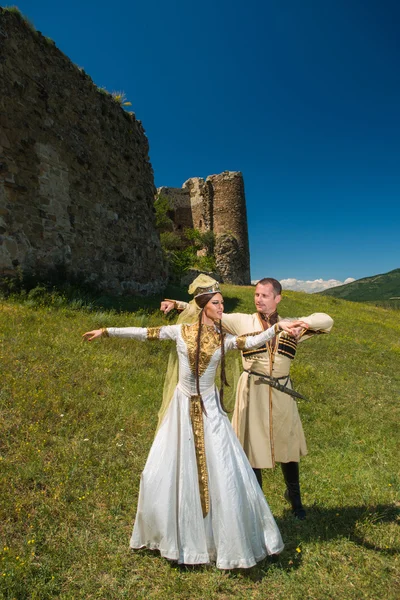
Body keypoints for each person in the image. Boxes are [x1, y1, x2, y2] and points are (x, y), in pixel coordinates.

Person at [83, 280, 306, 569]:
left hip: (211, 410)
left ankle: (223, 537)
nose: (222, 307)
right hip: (181, 408)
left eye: (223, 303)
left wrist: (276, 328)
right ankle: (174, 535)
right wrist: (107, 331)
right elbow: (144, 333)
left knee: (224, 470)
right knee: (164, 471)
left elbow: (249, 341)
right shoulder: (180, 332)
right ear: (203, 306)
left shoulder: (222, 339)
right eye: (217, 303)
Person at [161, 277, 334, 520]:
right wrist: (178, 304)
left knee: (289, 446)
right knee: (251, 449)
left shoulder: (290, 325)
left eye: (265, 295)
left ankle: (295, 500)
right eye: (256, 295)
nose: (259, 299)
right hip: (252, 389)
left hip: (283, 392)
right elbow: (207, 310)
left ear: (277, 298)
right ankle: (258, 503)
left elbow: (328, 321)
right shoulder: (243, 321)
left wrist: (299, 324)